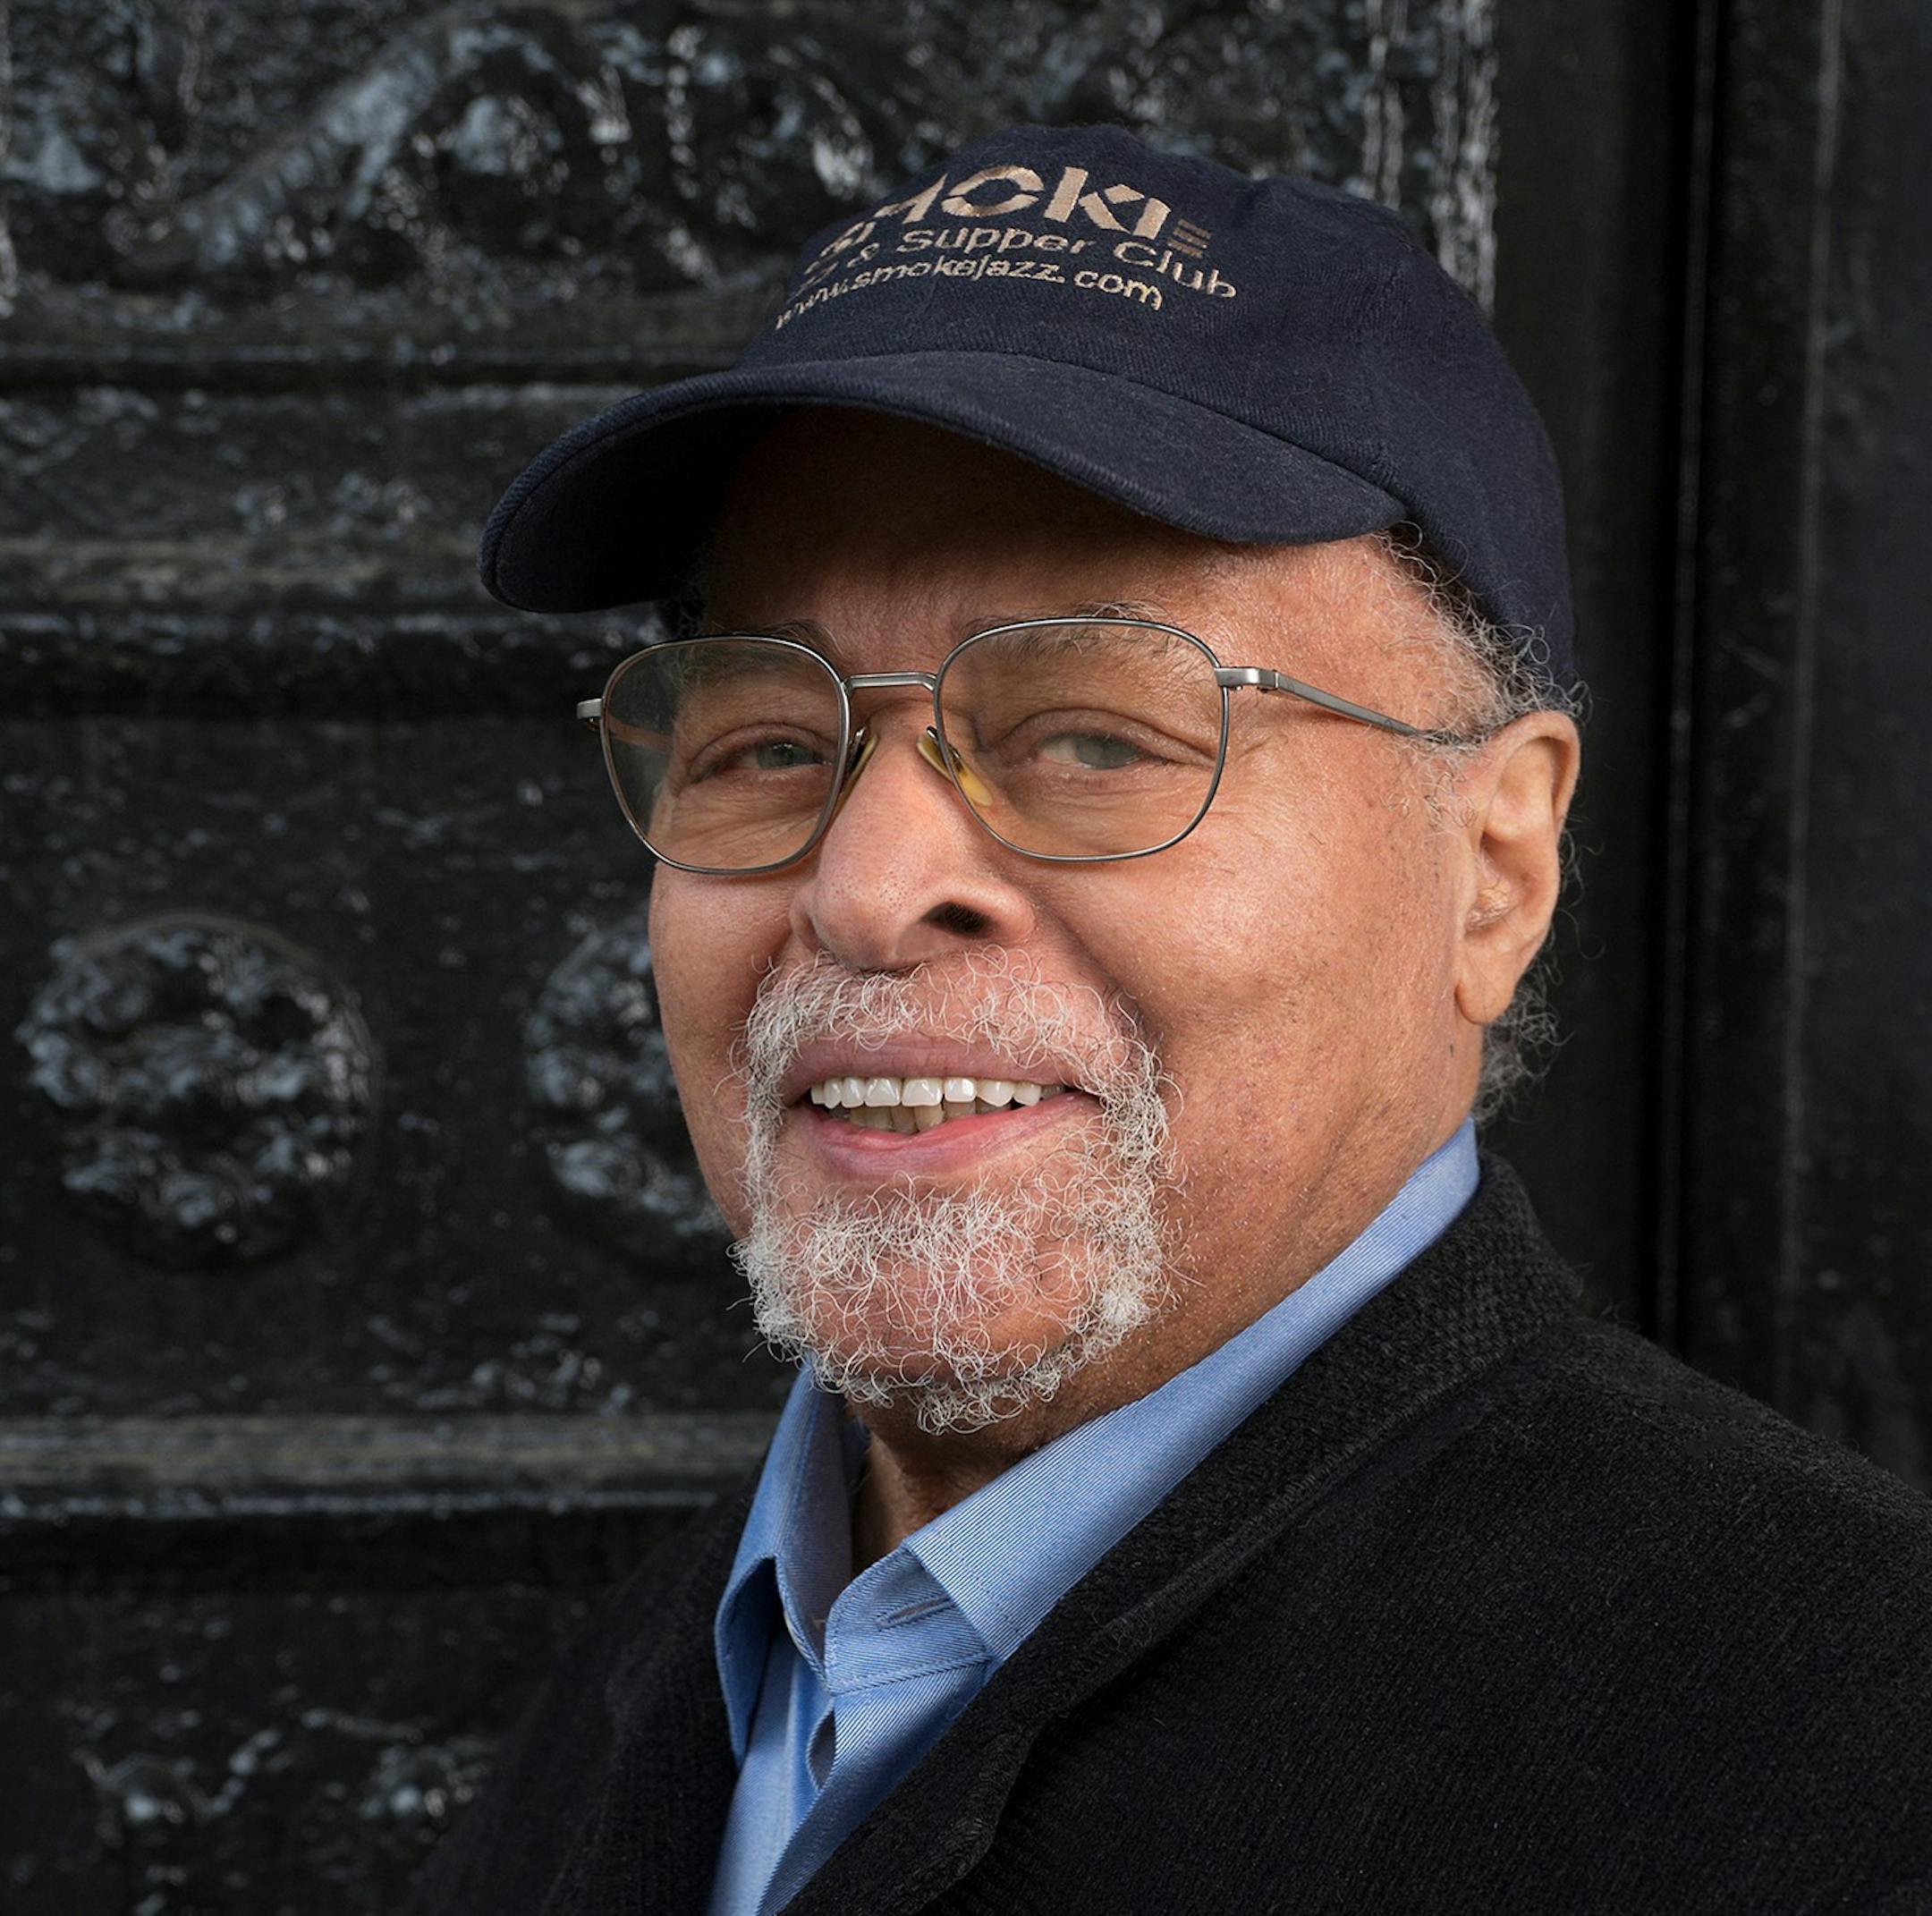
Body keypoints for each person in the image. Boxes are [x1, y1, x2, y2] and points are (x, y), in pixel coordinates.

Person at [412, 124, 1932, 1916]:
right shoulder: (641, 1699)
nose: (864, 887)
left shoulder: (1846, 1758)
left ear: (1496, 872)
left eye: (1097, 735)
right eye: (765, 741)